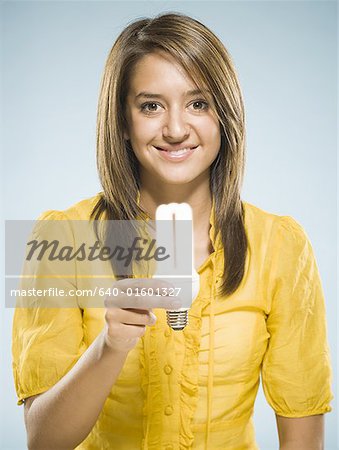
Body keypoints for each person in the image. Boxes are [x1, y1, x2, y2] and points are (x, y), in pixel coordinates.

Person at [12, 12, 333, 450]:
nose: (177, 129)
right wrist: (110, 346)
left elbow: (302, 435)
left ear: (225, 115)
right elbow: (41, 440)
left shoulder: (281, 245)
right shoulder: (60, 239)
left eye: (198, 103)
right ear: (122, 121)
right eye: (151, 105)